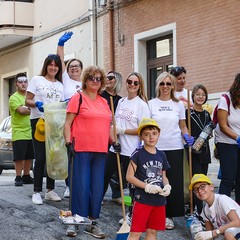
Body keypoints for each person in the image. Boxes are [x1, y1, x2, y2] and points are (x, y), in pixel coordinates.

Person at [63, 66, 118, 238]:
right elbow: (67, 124)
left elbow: (108, 126)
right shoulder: (77, 98)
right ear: (85, 80)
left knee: (96, 188)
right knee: (80, 186)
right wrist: (68, 143)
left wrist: (114, 142)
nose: (95, 81)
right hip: (80, 149)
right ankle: (75, 221)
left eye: (98, 79)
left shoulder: (104, 102)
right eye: (91, 78)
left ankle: (92, 222)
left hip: (100, 150)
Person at [103, 72, 150, 225]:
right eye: (129, 81)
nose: (132, 85)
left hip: (131, 151)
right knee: (104, 176)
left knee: (130, 184)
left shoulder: (142, 105)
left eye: (135, 83)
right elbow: (114, 124)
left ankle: (130, 214)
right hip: (116, 148)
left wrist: (123, 131)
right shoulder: (121, 101)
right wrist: (114, 140)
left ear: (139, 86)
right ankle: (94, 206)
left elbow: (144, 129)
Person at [148, 72, 194, 230]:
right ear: (158, 86)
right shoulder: (151, 104)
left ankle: (170, 215)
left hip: (175, 146)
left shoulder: (179, 104)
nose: (165, 87)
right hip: (156, 147)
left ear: (173, 86)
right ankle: (156, 212)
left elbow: (183, 125)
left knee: (174, 181)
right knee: (156, 180)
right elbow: (148, 126)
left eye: (168, 84)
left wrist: (187, 136)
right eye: (162, 84)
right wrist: (144, 142)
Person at [26, 54, 64, 205]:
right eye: (51, 64)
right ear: (46, 65)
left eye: (56, 65)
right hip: (39, 121)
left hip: (55, 122)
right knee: (40, 157)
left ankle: (50, 190)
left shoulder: (60, 85)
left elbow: (61, 104)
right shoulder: (37, 80)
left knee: (52, 157)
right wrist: (37, 104)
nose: (53, 67)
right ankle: (36, 191)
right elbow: (27, 100)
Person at [126, 118, 171, 240]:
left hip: (159, 200)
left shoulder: (162, 154)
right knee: (136, 233)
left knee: (152, 232)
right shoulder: (137, 154)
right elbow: (129, 177)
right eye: (146, 134)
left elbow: (163, 176)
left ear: (159, 134)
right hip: (142, 200)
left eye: (154, 133)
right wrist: (147, 186)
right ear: (141, 137)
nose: (151, 137)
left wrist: (167, 186)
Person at [57, 31, 84, 198]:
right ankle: (69, 185)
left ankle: (79, 183)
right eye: (71, 66)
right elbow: (60, 60)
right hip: (68, 121)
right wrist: (61, 45)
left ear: (81, 69)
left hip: (83, 123)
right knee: (69, 153)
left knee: (80, 154)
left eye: (77, 66)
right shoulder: (65, 79)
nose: (74, 68)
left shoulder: (86, 83)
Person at [185, 84, 213, 216]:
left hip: (205, 151)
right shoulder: (188, 113)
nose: (200, 97)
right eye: (198, 94)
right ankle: (198, 211)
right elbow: (184, 130)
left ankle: (202, 209)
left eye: (203, 95)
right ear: (193, 96)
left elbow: (210, 133)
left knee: (204, 180)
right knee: (197, 181)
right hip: (193, 151)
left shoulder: (207, 114)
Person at [189, 174, 240, 240]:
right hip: (231, 233)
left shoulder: (221, 199)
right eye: (196, 189)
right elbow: (209, 234)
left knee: (228, 234)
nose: (199, 191)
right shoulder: (205, 210)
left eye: (202, 186)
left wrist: (214, 232)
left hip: (236, 228)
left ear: (211, 187)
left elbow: (237, 222)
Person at [214, 73, 240, 205]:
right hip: (226, 143)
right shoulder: (225, 99)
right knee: (229, 179)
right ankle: (221, 210)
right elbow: (223, 125)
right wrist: (238, 138)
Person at [9, 73, 34, 186]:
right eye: (20, 82)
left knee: (30, 155)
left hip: (32, 131)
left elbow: (27, 109)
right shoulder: (14, 97)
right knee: (19, 156)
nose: (23, 84)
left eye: (25, 81)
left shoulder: (31, 96)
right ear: (16, 84)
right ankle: (18, 176)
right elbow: (21, 111)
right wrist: (32, 108)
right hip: (19, 132)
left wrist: (27, 107)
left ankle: (26, 175)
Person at [101, 71, 123, 203]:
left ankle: (116, 194)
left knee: (115, 166)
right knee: (103, 167)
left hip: (115, 136)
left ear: (117, 81)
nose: (107, 80)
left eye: (111, 78)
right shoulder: (100, 96)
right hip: (102, 135)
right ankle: (99, 194)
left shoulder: (121, 100)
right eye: (106, 77)